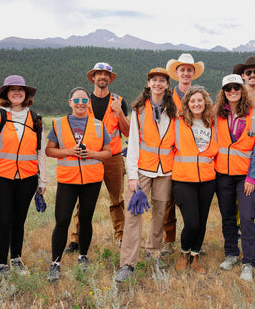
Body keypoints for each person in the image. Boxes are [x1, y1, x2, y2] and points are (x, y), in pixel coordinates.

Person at [0, 75, 47, 286]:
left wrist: (42, 181)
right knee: (3, 222)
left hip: (27, 179)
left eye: (21, 89)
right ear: (5, 94)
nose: (17, 92)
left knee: (19, 222)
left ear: (26, 94)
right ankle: (1, 267)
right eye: (12, 89)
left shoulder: (35, 119)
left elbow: (40, 153)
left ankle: (16, 261)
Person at [114, 68, 177, 283]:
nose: (158, 84)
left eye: (162, 80)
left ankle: (154, 252)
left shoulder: (174, 111)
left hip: (165, 171)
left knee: (160, 213)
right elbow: (132, 145)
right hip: (141, 171)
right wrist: (132, 176)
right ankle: (127, 264)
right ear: (148, 83)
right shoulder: (139, 110)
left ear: (167, 85)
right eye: (154, 80)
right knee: (133, 215)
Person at [45, 87, 112, 282]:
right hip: (68, 179)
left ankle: (83, 256)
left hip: (92, 179)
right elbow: (49, 151)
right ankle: (55, 264)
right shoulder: (58, 124)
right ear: (70, 103)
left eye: (84, 100)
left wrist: (91, 153)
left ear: (88, 103)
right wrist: (69, 151)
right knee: (62, 221)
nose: (80, 104)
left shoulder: (99, 125)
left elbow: (107, 153)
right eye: (76, 101)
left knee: (85, 219)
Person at [64, 62, 130, 253]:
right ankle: (76, 239)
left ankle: (121, 235)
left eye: (106, 74)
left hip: (114, 157)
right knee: (82, 199)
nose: (102, 77)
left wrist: (119, 111)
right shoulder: (83, 101)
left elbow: (126, 132)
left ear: (110, 79)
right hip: (89, 157)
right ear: (93, 78)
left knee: (117, 198)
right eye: (98, 74)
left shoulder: (118, 101)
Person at [215, 74, 255, 282]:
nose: (232, 91)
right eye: (228, 88)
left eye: (236, 87)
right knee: (227, 217)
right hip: (222, 175)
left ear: (242, 90)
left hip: (245, 177)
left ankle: (248, 261)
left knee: (246, 217)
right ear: (223, 92)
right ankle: (232, 254)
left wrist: (252, 178)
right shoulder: (216, 115)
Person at [172, 86, 219, 274]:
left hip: (207, 179)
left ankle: (195, 257)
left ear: (205, 103)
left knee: (202, 221)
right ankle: (184, 253)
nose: (196, 104)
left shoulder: (213, 124)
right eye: (192, 101)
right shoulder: (178, 123)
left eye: (200, 100)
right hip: (183, 179)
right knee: (191, 222)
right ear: (187, 104)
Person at [161, 53, 205, 255]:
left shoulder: (201, 96)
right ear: (176, 73)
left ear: (193, 73)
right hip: (171, 154)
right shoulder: (168, 96)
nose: (186, 73)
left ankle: (194, 242)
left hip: (192, 157)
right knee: (169, 202)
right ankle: (168, 240)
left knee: (194, 206)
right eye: (182, 70)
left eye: (189, 69)